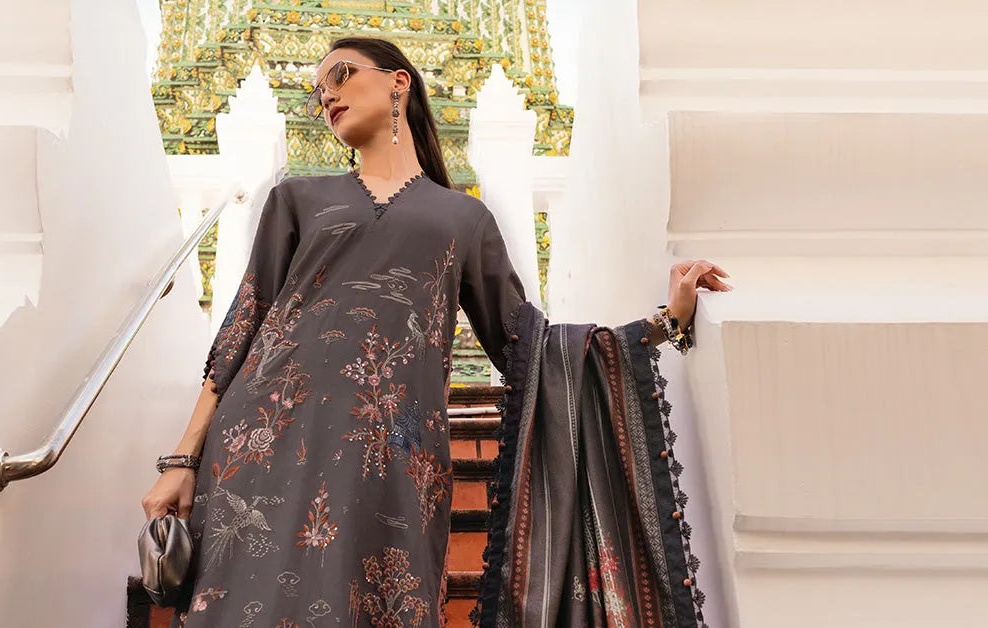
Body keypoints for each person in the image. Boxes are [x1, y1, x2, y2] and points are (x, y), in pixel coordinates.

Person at [142, 36, 730, 628]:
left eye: (341, 75)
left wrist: (661, 324)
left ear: (398, 81)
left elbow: (527, 345)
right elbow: (244, 326)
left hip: (395, 454)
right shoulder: (297, 199)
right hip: (265, 438)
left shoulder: (463, 218)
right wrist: (182, 458)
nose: (327, 96)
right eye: (318, 91)